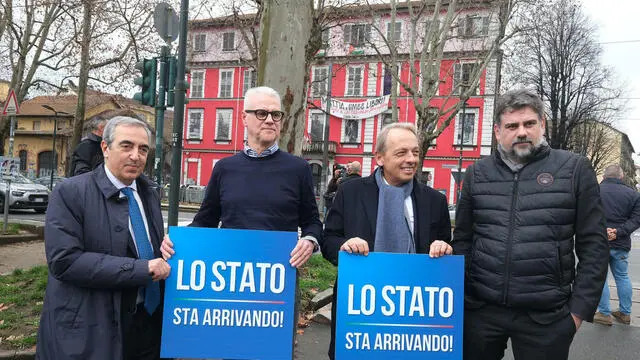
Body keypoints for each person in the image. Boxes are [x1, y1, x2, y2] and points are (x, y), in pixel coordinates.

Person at [453, 88, 608, 360]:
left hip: (547, 318)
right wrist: (463, 299)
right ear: (498, 132)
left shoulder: (574, 169)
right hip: (481, 312)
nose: (521, 132)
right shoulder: (478, 173)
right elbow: (464, 239)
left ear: (542, 125)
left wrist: (577, 314)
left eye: (529, 123)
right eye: (512, 126)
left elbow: (594, 245)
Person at [36, 116, 170, 359]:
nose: (135, 156)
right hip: (95, 328)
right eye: (126, 146)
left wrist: (166, 248)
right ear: (105, 148)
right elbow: (64, 261)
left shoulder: (148, 193)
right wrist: (142, 268)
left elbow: (145, 247)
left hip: (147, 326)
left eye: (143, 149)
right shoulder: (70, 192)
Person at [322, 123, 453, 360]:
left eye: (415, 152)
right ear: (380, 158)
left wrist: (444, 248)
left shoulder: (435, 201)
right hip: (360, 308)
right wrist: (344, 246)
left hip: (415, 313)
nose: (411, 159)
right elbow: (329, 240)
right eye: (401, 153)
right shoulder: (350, 193)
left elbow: (445, 247)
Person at [161, 86, 323, 268]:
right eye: (262, 113)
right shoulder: (224, 168)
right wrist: (177, 241)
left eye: (276, 114)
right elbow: (206, 221)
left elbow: (312, 222)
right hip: (232, 275)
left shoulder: (298, 168)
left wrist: (310, 241)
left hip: (281, 277)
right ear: (244, 118)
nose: (270, 120)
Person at [593, 164, 640, 326]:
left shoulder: (594, 191)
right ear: (621, 177)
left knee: (601, 277)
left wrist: (603, 231)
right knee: (622, 276)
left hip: (599, 242)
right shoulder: (634, 195)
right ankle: (625, 313)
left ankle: (604, 313)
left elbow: (587, 215)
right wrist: (618, 232)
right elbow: (636, 219)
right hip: (621, 242)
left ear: (604, 177)